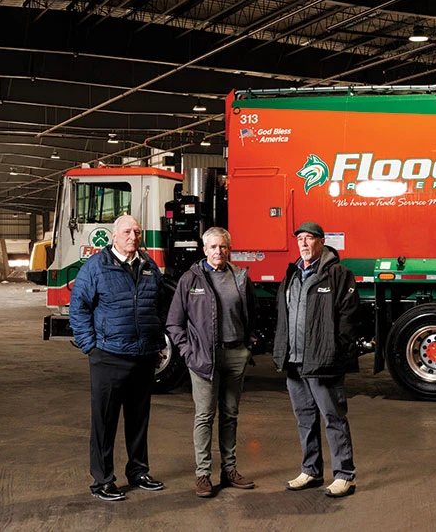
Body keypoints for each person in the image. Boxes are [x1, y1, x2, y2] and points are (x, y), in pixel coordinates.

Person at [69, 214, 166, 502]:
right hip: (108, 356)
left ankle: (138, 472)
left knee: (138, 419)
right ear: (114, 235)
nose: (133, 236)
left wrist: (156, 340)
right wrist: (91, 347)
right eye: (127, 231)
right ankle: (102, 481)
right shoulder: (96, 267)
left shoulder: (149, 266)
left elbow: (160, 305)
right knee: (104, 421)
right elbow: (79, 308)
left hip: (143, 355)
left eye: (137, 231)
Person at [167, 227, 258, 498]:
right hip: (204, 358)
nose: (218, 251)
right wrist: (187, 351)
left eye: (223, 247)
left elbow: (252, 315)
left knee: (230, 416)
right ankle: (203, 475)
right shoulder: (190, 279)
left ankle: (229, 470)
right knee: (205, 416)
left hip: (234, 355)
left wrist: (248, 345)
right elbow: (174, 322)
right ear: (204, 250)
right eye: (213, 247)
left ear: (229, 249)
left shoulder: (240, 278)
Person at [273, 221, 361, 498]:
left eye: (309, 238)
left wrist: (335, 349)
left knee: (333, 417)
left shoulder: (338, 274)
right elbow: (283, 315)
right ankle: (311, 470)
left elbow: (349, 316)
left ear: (321, 242)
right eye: (300, 239)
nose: (304, 243)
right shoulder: (292, 274)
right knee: (305, 418)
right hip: (295, 360)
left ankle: (344, 475)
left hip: (322, 360)